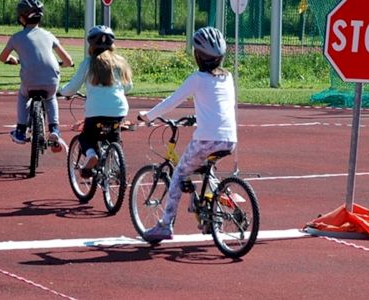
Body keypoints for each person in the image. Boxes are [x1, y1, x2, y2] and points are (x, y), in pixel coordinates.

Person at [137, 27, 237, 242]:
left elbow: (171, 102)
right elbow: (222, 106)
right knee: (205, 169)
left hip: (206, 139)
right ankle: (212, 217)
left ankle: (165, 225)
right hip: (229, 138)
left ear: (198, 55)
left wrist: (148, 116)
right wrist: (198, 116)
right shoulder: (227, 77)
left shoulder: (197, 78)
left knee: (179, 175)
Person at [59, 25, 133, 177]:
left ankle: (92, 155)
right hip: (119, 109)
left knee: (86, 137)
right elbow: (128, 87)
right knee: (114, 135)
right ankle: (118, 164)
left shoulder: (88, 63)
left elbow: (73, 87)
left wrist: (61, 91)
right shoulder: (120, 62)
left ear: (91, 45)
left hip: (96, 111)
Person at [0, 0, 73, 150]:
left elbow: (2, 58)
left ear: (21, 18)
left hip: (30, 80)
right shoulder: (48, 35)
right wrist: (62, 64)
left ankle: (20, 129)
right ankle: (54, 129)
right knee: (51, 98)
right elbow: (68, 60)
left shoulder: (16, 37)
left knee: (23, 95)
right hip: (51, 79)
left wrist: (11, 60)